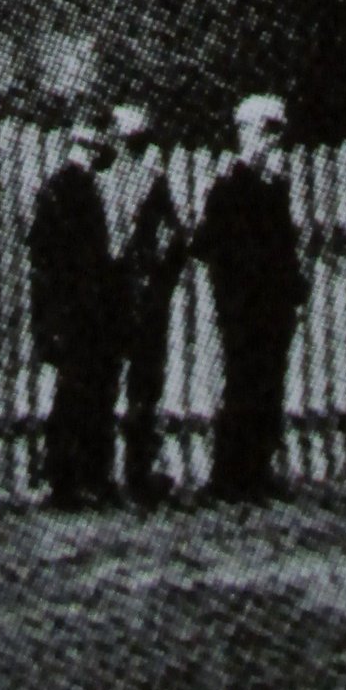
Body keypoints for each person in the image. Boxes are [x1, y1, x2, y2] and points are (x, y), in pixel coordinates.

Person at [193, 91, 308, 499]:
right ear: (244, 135)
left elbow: (284, 247)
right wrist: (238, 287)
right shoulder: (228, 188)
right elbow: (209, 245)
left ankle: (258, 470)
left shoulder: (275, 188)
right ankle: (230, 475)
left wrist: (294, 286)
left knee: (269, 386)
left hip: (274, 305)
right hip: (242, 305)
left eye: (277, 132)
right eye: (264, 131)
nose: (271, 141)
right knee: (242, 383)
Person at [28, 109, 124, 507]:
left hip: (82, 312)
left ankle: (83, 478)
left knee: (87, 394)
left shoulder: (72, 188)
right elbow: (57, 261)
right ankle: (70, 481)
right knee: (78, 396)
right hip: (76, 314)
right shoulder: (69, 191)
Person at [105, 101, 191, 501]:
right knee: (106, 383)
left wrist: (160, 274)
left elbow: (176, 237)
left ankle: (138, 473)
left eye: (135, 142)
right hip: (112, 293)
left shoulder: (153, 182)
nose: (128, 148)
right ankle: (101, 473)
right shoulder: (100, 181)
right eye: (125, 141)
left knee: (143, 386)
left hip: (140, 293)